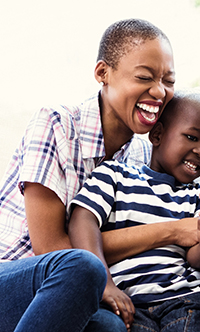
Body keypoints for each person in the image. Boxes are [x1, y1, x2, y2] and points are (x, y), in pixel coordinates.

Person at [0, 18, 175, 331]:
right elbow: (50, 245)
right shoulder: (57, 123)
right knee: (85, 268)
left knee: (112, 327)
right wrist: (105, 284)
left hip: (73, 293)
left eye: (169, 81)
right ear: (103, 74)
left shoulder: (139, 155)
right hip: (14, 276)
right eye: (144, 77)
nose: (160, 91)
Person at [67, 89, 200, 332]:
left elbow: (194, 258)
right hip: (128, 303)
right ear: (157, 135)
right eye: (192, 138)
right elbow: (82, 221)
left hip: (185, 301)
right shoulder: (114, 175)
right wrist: (104, 284)